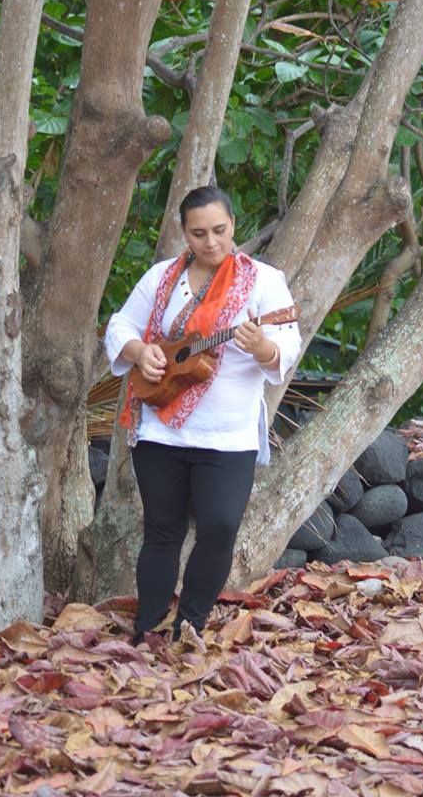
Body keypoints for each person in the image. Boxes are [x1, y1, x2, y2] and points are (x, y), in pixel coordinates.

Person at [105, 185, 301, 643]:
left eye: (219, 230)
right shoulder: (162, 278)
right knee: (162, 531)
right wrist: (140, 352)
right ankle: (148, 629)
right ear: (184, 232)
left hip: (228, 436)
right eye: (198, 233)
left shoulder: (264, 281)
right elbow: (121, 324)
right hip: (160, 429)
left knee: (220, 527)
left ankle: (189, 625)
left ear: (233, 225)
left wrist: (263, 346)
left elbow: (288, 343)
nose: (211, 242)